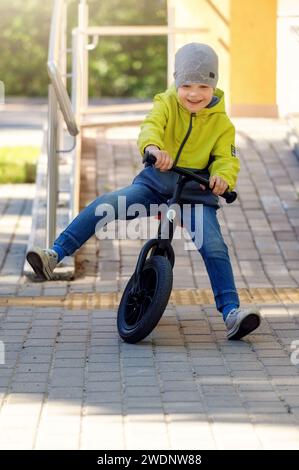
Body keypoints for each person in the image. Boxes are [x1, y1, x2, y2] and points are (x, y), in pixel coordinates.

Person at [26, 42, 261, 340]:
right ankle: (54, 254)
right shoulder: (165, 104)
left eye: (203, 86)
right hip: (155, 182)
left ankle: (231, 312)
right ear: (176, 81)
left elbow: (226, 158)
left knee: (213, 245)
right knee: (107, 205)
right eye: (186, 84)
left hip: (195, 192)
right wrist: (153, 148)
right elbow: (151, 126)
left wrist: (222, 178)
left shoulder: (222, 124)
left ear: (214, 86)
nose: (194, 93)